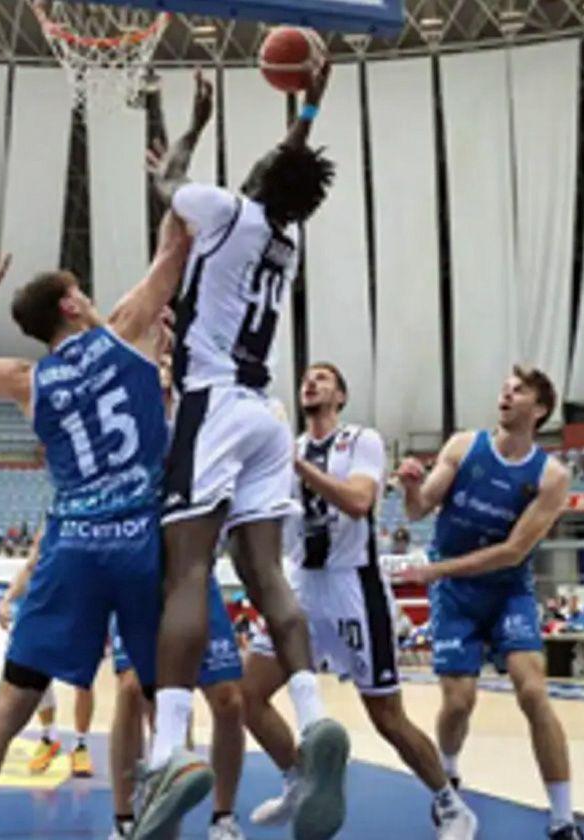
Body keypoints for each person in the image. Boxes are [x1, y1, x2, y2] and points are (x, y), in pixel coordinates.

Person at [0, 202, 189, 838]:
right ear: (71, 305)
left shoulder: (27, 380)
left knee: (11, 703)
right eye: (83, 295)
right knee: (164, 703)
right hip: (141, 541)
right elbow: (174, 255)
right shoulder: (125, 329)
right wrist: (173, 187)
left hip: (72, 546)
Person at [135, 66, 347, 840]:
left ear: (257, 181)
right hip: (266, 414)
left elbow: (173, 183)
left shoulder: (223, 211)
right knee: (268, 579)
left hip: (214, 402)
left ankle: (166, 753)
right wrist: (310, 105)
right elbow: (281, 169)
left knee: (187, 570)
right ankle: (315, 716)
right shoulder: (283, 239)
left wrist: (190, 125)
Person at [243, 363, 476, 839]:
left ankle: (451, 805)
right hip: (300, 584)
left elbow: (358, 501)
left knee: (387, 717)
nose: (311, 382)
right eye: (307, 377)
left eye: (324, 378)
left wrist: (296, 465)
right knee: (248, 695)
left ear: (341, 395)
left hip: (354, 586)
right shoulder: (288, 447)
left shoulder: (360, 440)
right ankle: (299, 783)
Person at [398, 365, 581, 840]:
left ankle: (563, 820)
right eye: (505, 387)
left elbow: (513, 551)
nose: (506, 393)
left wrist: (438, 569)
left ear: (539, 410)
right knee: (459, 702)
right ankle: (450, 771)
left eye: (519, 390)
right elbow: (419, 509)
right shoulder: (463, 445)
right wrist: (411, 485)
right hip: (457, 595)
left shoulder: (552, 476)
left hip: (507, 590)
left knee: (533, 691)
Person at [107, 575, 246, 840]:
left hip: (195, 580)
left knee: (229, 700)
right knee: (131, 689)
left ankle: (223, 819)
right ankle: (124, 820)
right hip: (136, 576)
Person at [0, 525, 98, 778]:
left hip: (85, 607)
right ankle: (49, 736)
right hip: (48, 607)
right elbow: (31, 565)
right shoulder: (50, 527)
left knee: (84, 680)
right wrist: (8, 598)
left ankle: (81, 743)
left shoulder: (97, 526)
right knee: (36, 672)